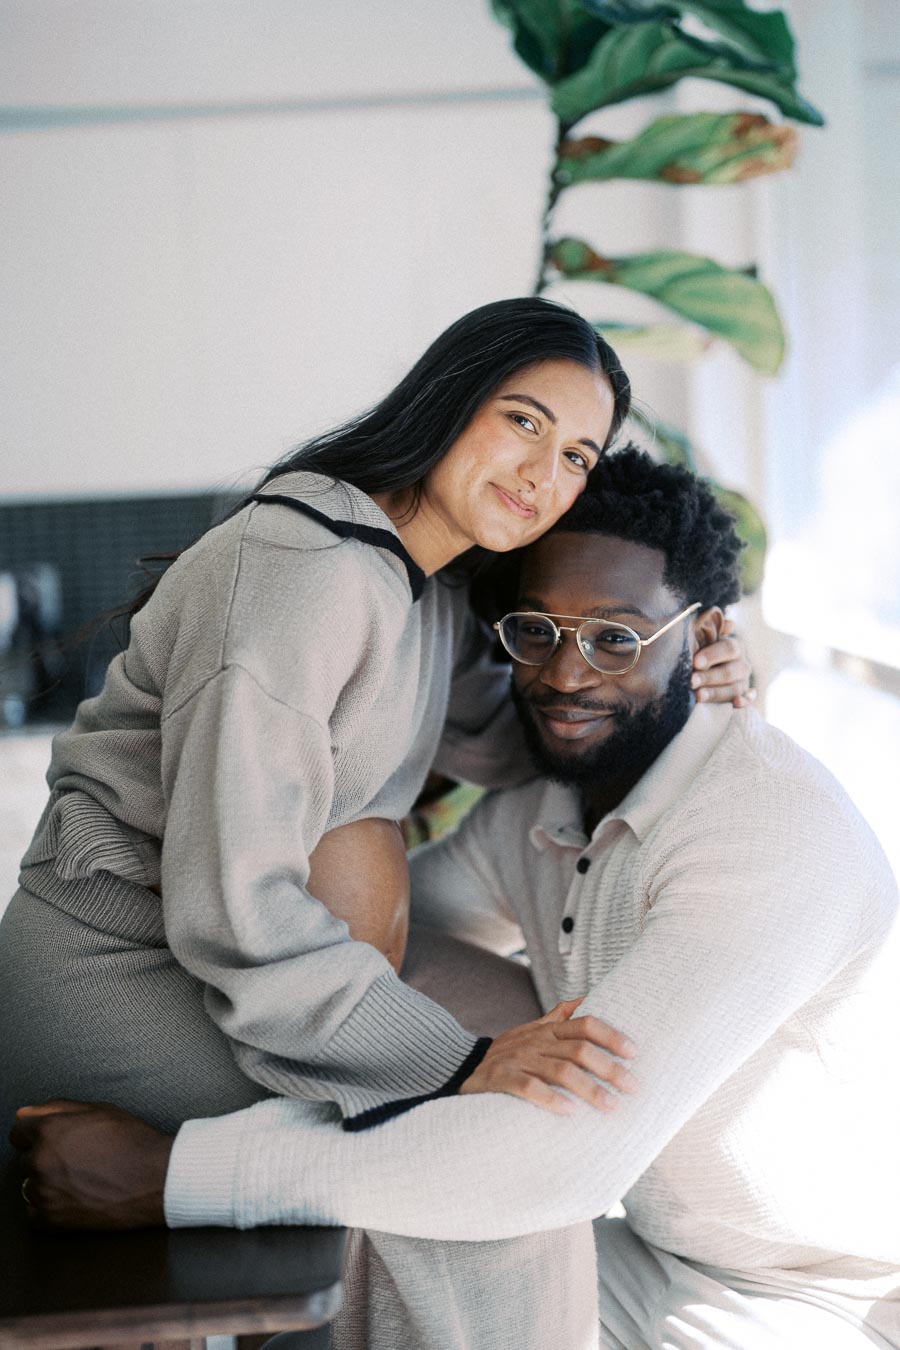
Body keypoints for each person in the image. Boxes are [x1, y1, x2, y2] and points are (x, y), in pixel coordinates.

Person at [15, 448, 899, 1350]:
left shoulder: (762, 833)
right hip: (651, 1259)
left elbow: (558, 1162)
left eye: (616, 638)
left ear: (702, 634)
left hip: (814, 1304)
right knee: (419, 1175)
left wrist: (170, 1176)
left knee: (488, 1172)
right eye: (538, 631)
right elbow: (369, 947)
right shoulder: (551, 809)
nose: (565, 674)